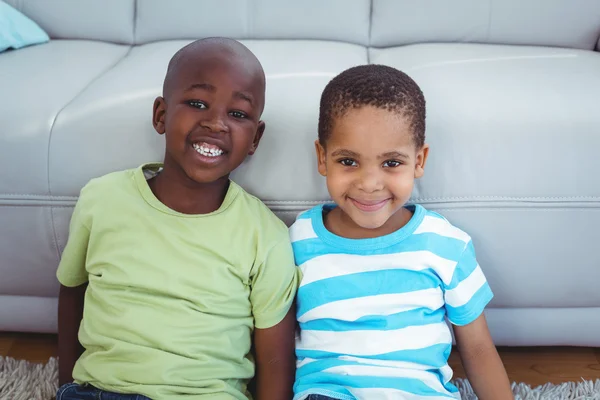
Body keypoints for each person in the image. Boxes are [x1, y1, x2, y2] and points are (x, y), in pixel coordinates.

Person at [56, 37, 299, 400]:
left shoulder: (266, 235)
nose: (217, 123)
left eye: (237, 114)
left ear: (255, 138)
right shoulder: (102, 199)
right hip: (102, 391)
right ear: (160, 115)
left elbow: (276, 361)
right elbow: (72, 291)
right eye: (197, 103)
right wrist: (66, 385)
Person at [289, 65, 513, 400]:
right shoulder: (298, 240)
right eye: (348, 161)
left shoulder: (445, 245)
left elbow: (478, 349)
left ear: (419, 160)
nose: (369, 184)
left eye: (391, 163)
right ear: (322, 158)